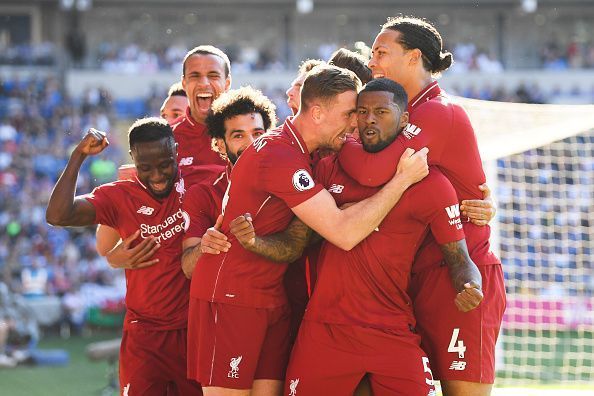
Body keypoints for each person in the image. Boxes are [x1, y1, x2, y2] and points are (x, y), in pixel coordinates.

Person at [190, 65, 429, 396]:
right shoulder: (279, 155)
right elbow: (344, 233)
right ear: (316, 112)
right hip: (233, 295)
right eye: (348, 114)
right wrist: (403, 179)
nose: (354, 124)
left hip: (271, 296)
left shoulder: (304, 153)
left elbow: (299, 237)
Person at [337, 16, 505, 396]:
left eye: (381, 52)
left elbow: (373, 170)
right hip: (409, 279)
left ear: (413, 58)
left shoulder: (438, 112)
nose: (372, 61)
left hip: (458, 276)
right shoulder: (393, 113)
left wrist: (342, 140)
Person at [284, 78, 482, 396]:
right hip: (325, 330)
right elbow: (298, 241)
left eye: (381, 111)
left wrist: (470, 285)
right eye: (362, 111)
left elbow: (460, 259)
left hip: (393, 330)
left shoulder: (431, 183)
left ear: (404, 120)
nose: (370, 119)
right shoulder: (328, 167)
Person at [46, 118, 224, 395]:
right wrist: (78, 155)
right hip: (144, 336)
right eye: (145, 168)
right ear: (133, 160)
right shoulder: (119, 196)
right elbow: (57, 215)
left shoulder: (201, 184)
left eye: (165, 164)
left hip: (194, 330)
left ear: (176, 150)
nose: (156, 176)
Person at [173, 45, 230, 167]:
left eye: (213, 75)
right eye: (195, 76)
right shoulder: (168, 137)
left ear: (227, 83)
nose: (204, 83)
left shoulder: (246, 134)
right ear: (184, 83)